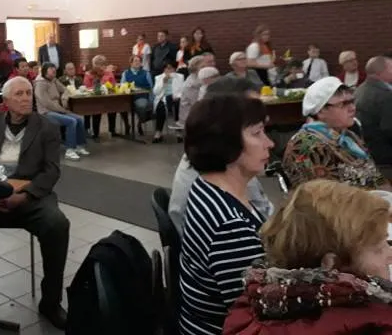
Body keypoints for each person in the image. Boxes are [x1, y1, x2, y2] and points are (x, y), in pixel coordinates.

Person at [0, 76, 70, 329]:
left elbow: (51, 171)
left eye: (28, 93)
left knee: (57, 225)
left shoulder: (47, 127)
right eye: (19, 94)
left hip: (29, 195)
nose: (26, 99)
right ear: (5, 100)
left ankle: (51, 302)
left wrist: (24, 196)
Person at [224, 180, 392, 334]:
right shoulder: (369, 324)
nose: (390, 254)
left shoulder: (253, 309)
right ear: (332, 265)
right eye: (378, 249)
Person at [179, 94, 273, 335]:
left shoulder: (207, 185)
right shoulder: (230, 226)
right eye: (257, 133)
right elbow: (259, 315)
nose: (269, 143)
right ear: (226, 143)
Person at [168, 77, 274, 235]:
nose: (270, 143)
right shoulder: (223, 177)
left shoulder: (213, 161)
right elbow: (267, 228)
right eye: (256, 131)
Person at [283, 77, 389, 189]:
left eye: (352, 102)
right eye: (344, 104)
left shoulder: (348, 136)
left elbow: (375, 175)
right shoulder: (305, 146)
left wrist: (386, 193)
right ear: (321, 111)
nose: (353, 108)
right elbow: (322, 196)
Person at [35, 62, 89, 161]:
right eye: (51, 69)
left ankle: (79, 146)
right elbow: (47, 103)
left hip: (57, 109)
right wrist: (63, 110)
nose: (54, 71)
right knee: (71, 121)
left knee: (79, 119)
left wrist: (64, 98)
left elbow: (66, 90)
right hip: (46, 112)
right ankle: (70, 150)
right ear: (45, 71)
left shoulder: (54, 80)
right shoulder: (40, 84)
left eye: (54, 69)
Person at [355, 55, 392, 174]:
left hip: (367, 151)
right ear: (381, 71)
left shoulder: (359, 90)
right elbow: (389, 129)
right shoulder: (385, 95)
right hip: (385, 156)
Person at [83, 55, 130, 138]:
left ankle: (112, 130)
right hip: (94, 99)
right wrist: (101, 83)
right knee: (96, 111)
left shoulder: (109, 73)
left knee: (113, 108)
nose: (102, 67)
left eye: (103, 65)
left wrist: (110, 86)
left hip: (108, 98)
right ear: (94, 66)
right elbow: (87, 88)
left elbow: (113, 85)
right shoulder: (88, 74)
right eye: (100, 65)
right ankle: (96, 133)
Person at [121, 55, 154, 135]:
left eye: (139, 61)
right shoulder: (125, 73)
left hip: (141, 96)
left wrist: (152, 99)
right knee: (121, 107)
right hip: (128, 97)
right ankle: (127, 125)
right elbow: (122, 85)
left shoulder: (146, 73)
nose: (138, 62)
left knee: (141, 106)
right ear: (131, 63)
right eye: (135, 61)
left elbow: (151, 87)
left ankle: (140, 123)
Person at [152, 62, 184, 143]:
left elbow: (182, 90)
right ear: (164, 69)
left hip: (176, 98)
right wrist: (163, 82)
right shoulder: (159, 77)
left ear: (174, 69)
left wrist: (177, 96)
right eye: (167, 68)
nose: (169, 70)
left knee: (177, 105)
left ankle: (178, 132)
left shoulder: (180, 77)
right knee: (160, 107)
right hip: (163, 98)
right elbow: (155, 92)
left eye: (171, 68)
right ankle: (158, 132)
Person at [177, 55, 204, 130]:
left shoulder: (199, 79)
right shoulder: (191, 84)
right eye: (202, 67)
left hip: (198, 115)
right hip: (191, 118)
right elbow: (197, 104)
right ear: (195, 69)